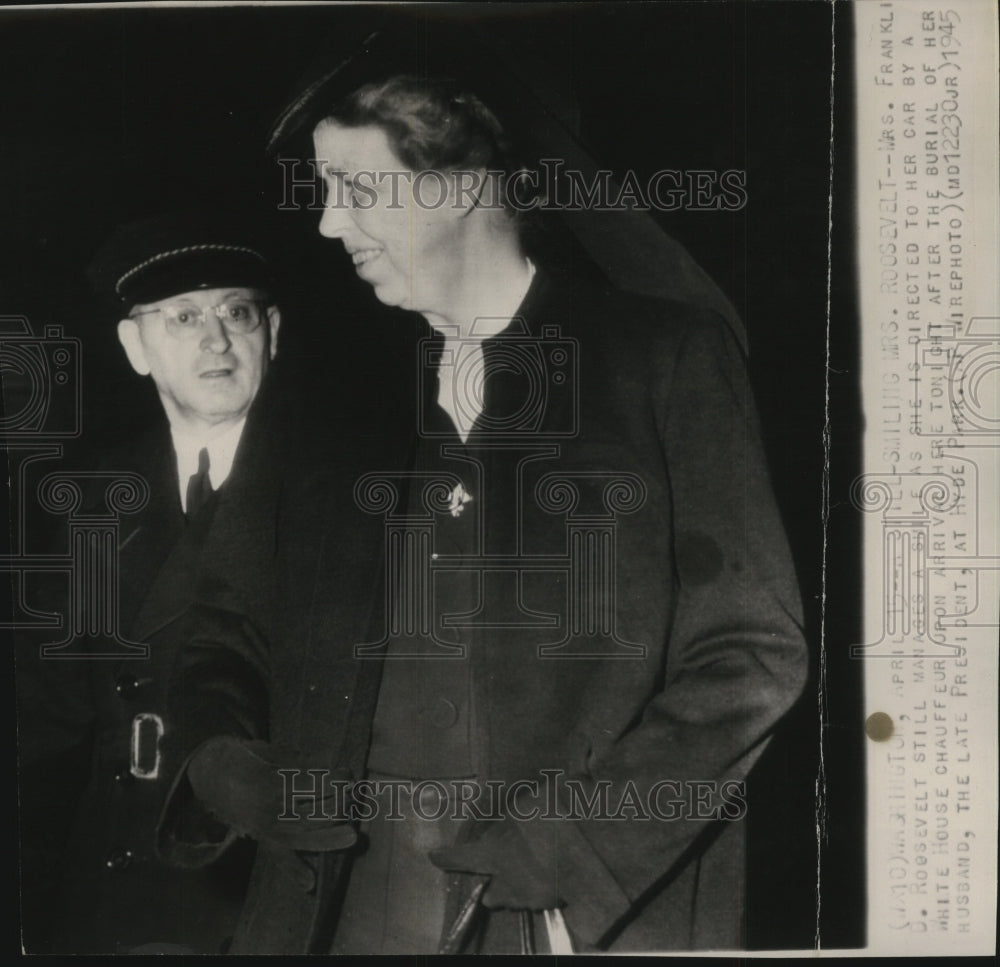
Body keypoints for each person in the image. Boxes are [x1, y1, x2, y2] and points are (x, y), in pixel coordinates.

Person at [161, 74, 809, 954]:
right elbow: (221, 623)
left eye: (356, 189)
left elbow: (751, 656)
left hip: (573, 905)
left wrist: (576, 847)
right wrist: (218, 757)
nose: (327, 224)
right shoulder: (321, 390)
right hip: (336, 898)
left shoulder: (662, 360)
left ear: (462, 186)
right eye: (323, 194)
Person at [17, 210, 283, 955]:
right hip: (118, 889)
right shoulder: (90, 498)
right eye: (183, 317)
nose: (215, 340)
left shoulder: (335, 489)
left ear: (274, 332)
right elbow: (44, 723)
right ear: (136, 345)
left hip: (264, 889)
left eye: (237, 311)